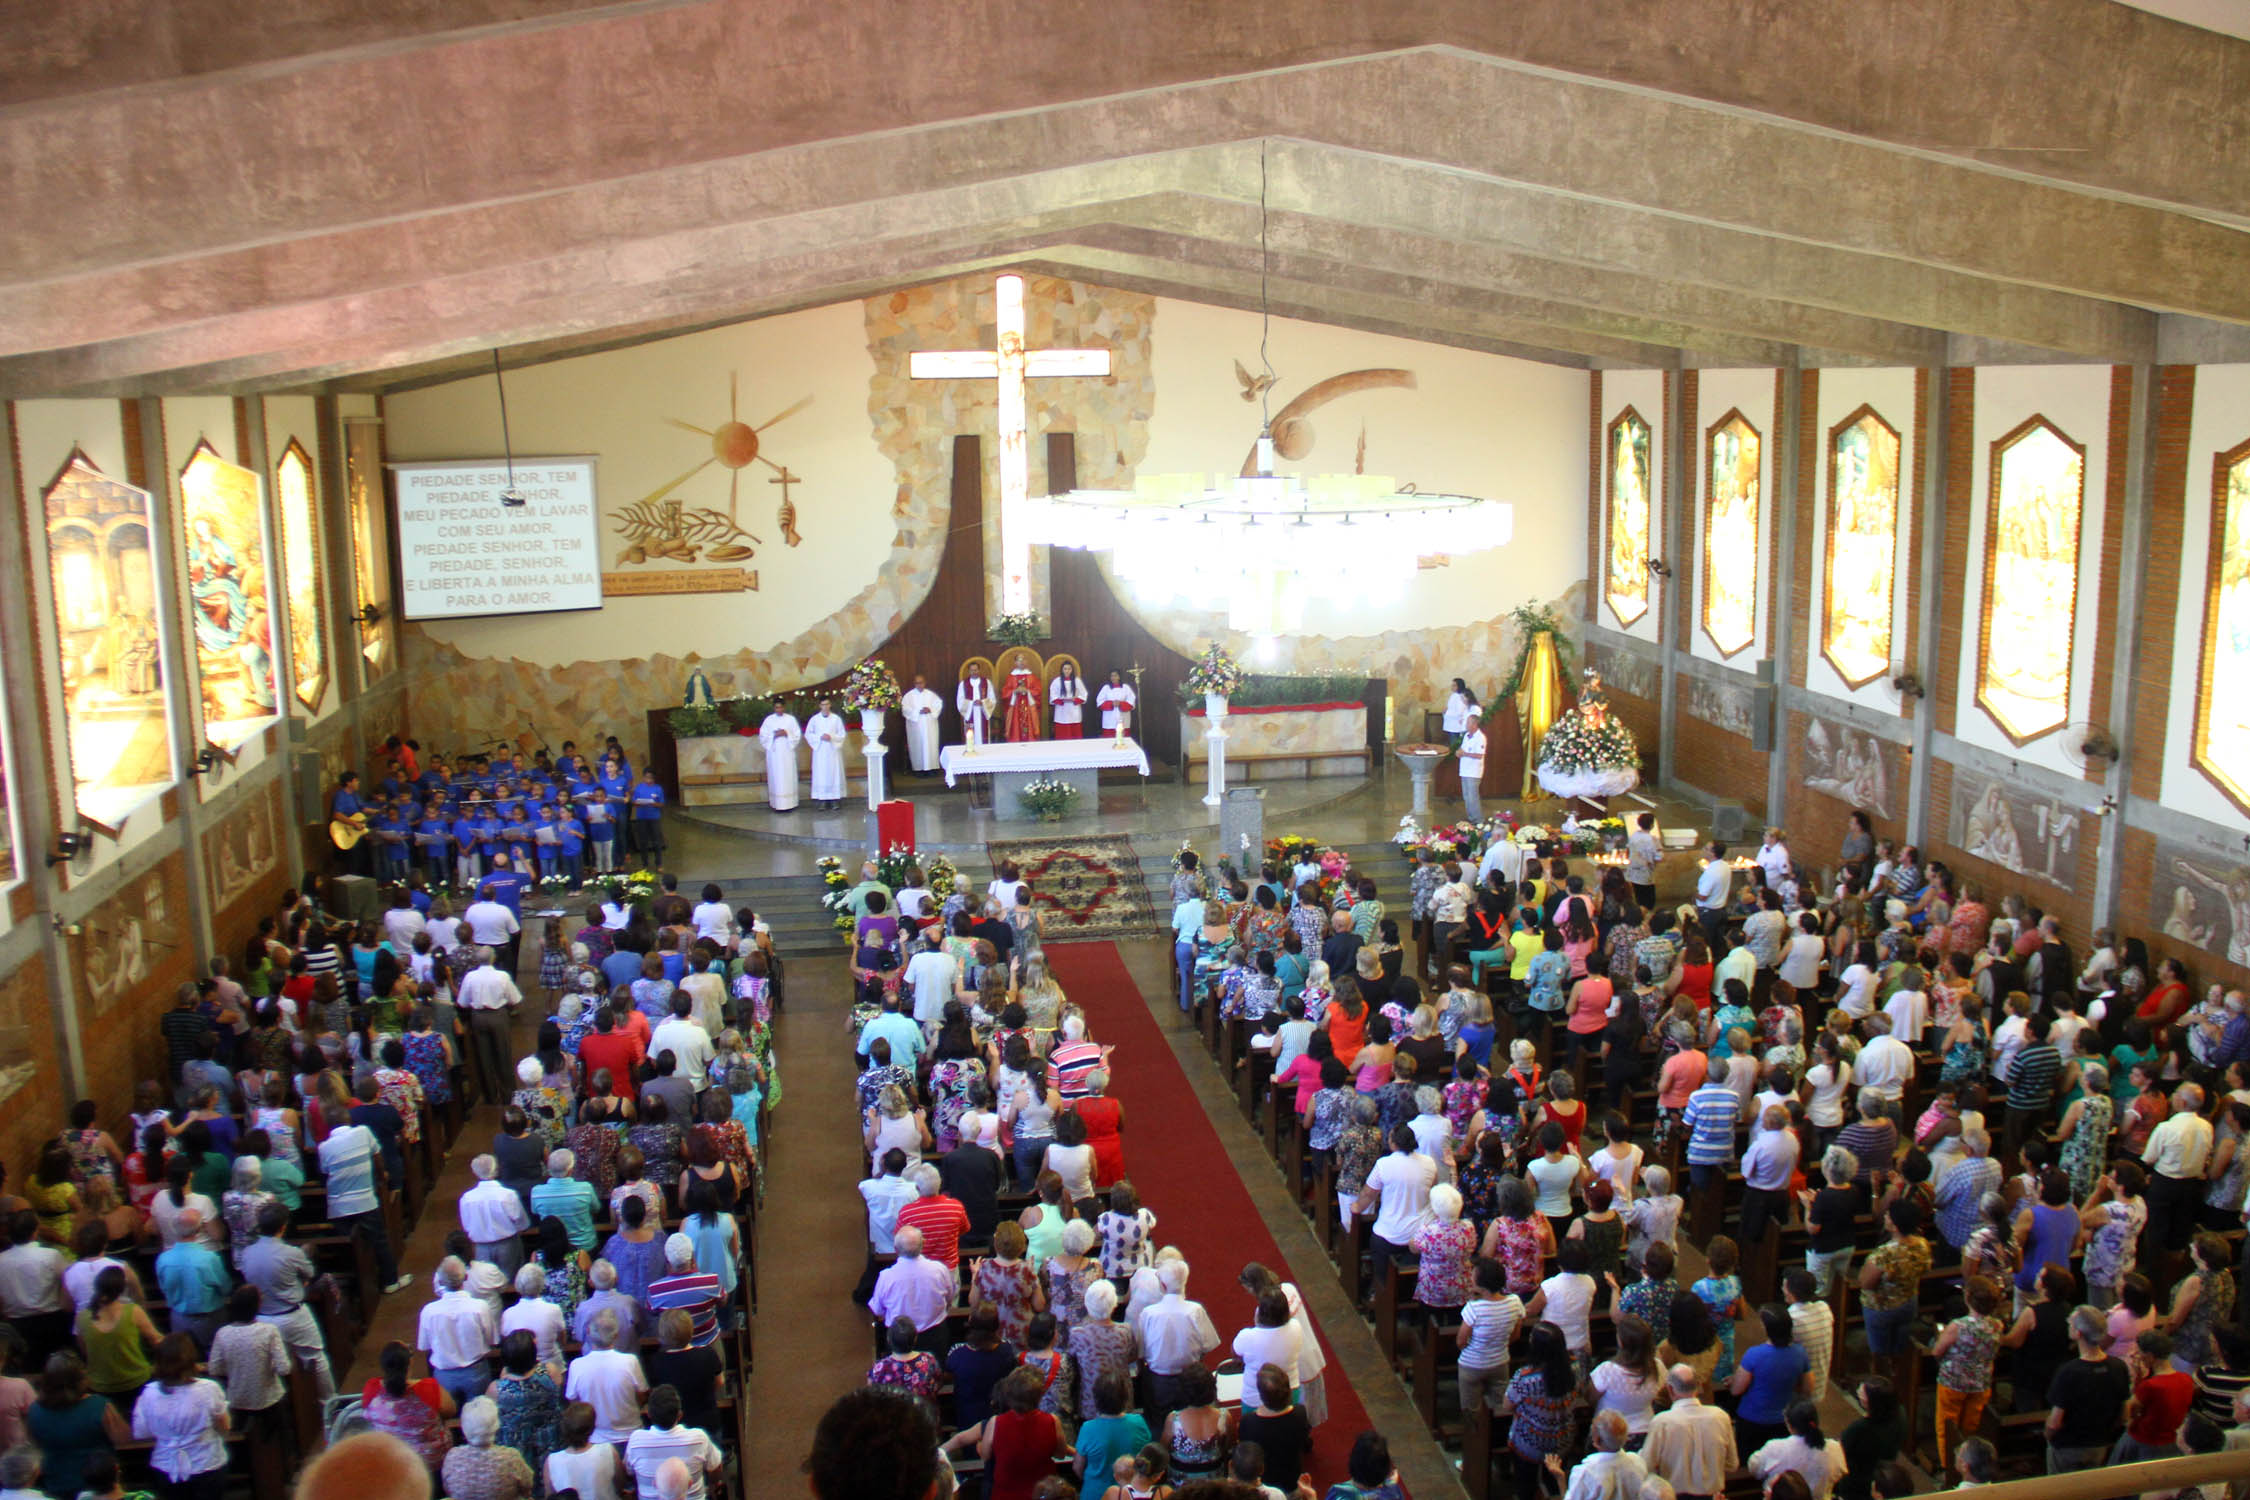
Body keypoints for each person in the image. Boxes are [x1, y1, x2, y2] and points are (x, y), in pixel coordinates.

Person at [28, 1353, 130, 1500]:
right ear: (80, 1379)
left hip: (57, 1485)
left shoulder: (35, 1410)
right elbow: (123, 1438)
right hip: (99, 1486)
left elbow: (33, 1445)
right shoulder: (100, 1405)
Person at [2048, 1304, 2133, 1472]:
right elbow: (2125, 1414)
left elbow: (2054, 1422)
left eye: (2070, 1323)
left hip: (2068, 1446)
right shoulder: (2118, 1367)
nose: (2068, 1324)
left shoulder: (2069, 1371)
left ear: (2078, 1333)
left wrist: (2049, 1436)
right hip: (2100, 1444)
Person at [1644, 1362, 1737, 1500]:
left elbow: (1646, 1466)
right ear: (1698, 1387)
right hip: (1712, 1495)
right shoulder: (1720, 1416)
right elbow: (1732, 1465)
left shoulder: (1662, 1422)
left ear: (1670, 1389)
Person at [1730, 1305, 1809, 1452]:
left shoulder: (1754, 1354)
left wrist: (1735, 1379)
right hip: (1783, 1421)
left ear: (1767, 1329)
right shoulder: (1800, 1353)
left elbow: (1736, 1390)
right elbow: (1807, 1389)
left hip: (1753, 1419)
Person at [623, 1385, 723, 1500]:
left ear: (649, 1414)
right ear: (679, 1415)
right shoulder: (699, 1438)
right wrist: (712, 1486)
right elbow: (716, 1469)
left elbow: (629, 1473)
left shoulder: (636, 1441)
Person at [565, 1309, 648, 1448]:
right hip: (628, 1435)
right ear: (616, 1335)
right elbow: (642, 1394)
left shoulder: (577, 1365)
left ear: (588, 1331)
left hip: (599, 1439)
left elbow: (573, 1401)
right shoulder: (630, 1361)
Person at [1747, 1401, 1845, 1500]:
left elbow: (1754, 1469)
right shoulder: (1835, 1449)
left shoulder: (1775, 1448)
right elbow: (1841, 1473)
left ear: (1789, 1425)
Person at [901, 674, 945, 773]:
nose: (919, 685)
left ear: (925, 683)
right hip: (916, 726)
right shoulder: (909, 696)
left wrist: (930, 709)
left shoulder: (931, 694)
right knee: (918, 745)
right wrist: (917, 712)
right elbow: (905, 709)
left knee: (931, 745)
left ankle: (931, 768)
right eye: (917, 683)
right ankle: (918, 769)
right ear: (914, 684)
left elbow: (938, 705)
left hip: (930, 725)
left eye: (921, 683)